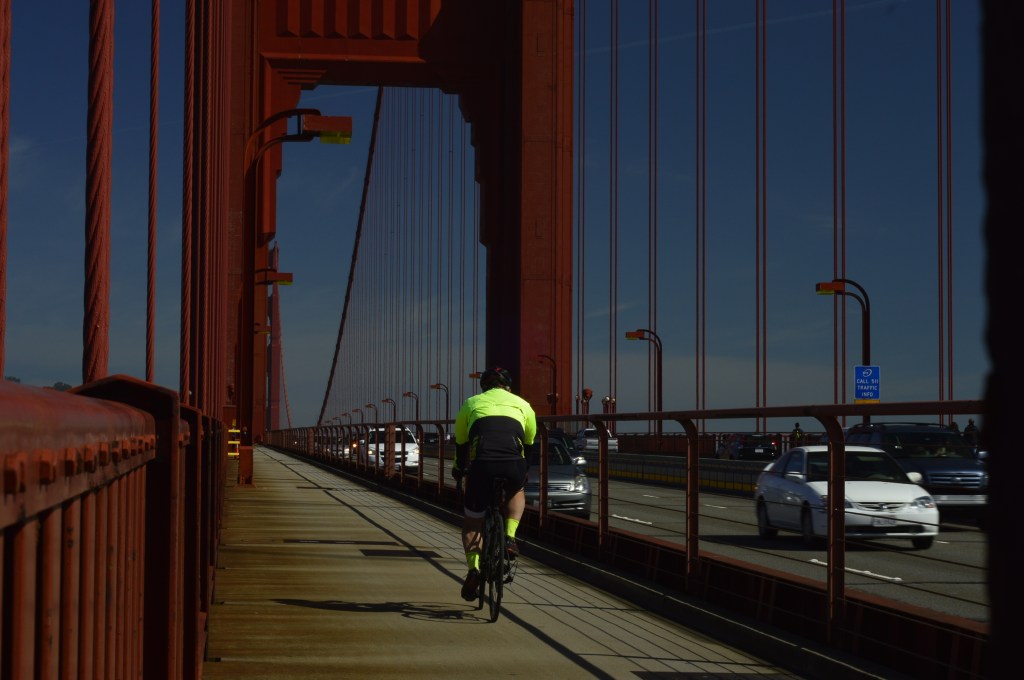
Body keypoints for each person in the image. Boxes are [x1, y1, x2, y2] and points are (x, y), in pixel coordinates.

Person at [451, 366, 537, 602]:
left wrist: (459, 468)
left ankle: (473, 569)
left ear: (484, 387)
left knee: (472, 522)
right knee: (517, 490)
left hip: (483, 465)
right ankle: (509, 538)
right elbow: (529, 443)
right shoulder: (523, 404)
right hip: (513, 464)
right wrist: (524, 471)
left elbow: (461, 442)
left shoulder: (471, 403)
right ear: (508, 387)